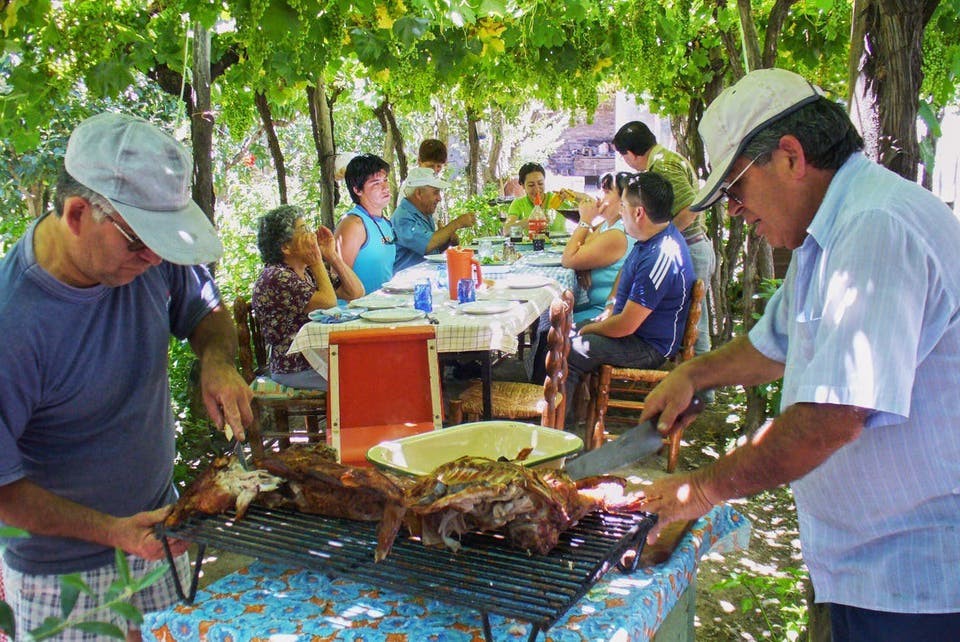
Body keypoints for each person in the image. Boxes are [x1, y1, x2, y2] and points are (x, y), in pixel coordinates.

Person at [638, 68, 960, 641]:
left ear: (790, 156)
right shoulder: (828, 234)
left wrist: (702, 489)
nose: (735, 211)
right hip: (869, 567)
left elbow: (829, 420)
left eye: (735, 189)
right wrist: (694, 373)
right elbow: (775, 344)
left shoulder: (874, 227)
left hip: (919, 577)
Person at [0, 112, 253, 640]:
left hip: (159, 531)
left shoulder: (147, 251)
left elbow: (206, 310)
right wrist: (113, 531)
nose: (155, 259)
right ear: (76, 214)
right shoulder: (12, 322)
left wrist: (217, 360)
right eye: (139, 243)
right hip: (63, 576)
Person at [563, 171, 694, 414]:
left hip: (647, 346)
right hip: (629, 330)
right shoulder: (650, 237)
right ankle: (563, 415)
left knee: (570, 351)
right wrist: (610, 305)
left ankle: (561, 428)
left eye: (623, 206)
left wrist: (590, 328)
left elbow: (626, 326)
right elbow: (625, 270)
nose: (620, 212)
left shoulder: (661, 255)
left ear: (638, 213)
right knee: (561, 335)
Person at [613, 120, 715, 357]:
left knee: (695, 327)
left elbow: (692, 206)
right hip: (689, 244)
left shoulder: (663, 165)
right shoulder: (665, 159)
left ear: (630, 154)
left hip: (691, 245)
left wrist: (663, 236)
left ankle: (700, 380)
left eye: (623, 156)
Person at [252, 205, 364, 389]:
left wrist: (332, 255)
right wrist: (317, 261)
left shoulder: (307, 271)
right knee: (362, 380)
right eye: (303, 230)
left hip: (318, 358)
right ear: (285, 247)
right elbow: (329, 303)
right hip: (295, 368)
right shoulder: (276, 276)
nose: (311, 235)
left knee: (371, 366)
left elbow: (355, 292)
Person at [561, 171, 632, 323]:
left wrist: (585, 220)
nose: (599, 196)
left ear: (623, 201)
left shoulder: (617, 234)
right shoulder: (608, 224)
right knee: (556, 314)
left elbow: (568, 259)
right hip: (597, 306)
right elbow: (583, 246)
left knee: (555, 321)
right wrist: (583, 267)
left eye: (606, 192)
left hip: (606, 314)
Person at [392, 167, 476, 272]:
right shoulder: (402, 217)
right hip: (406, 278)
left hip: (423, 274)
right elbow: (427, 245)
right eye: (435, 193)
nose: (439, 198)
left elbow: (431, 251)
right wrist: (456, 224)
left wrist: (448, 240)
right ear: (419, 193)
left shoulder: (424, 213)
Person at [333, 154, 396, 293]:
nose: (385, 187)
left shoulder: (385, 222)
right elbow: (336, 281)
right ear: (357, 190)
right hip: (355, 306)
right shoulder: (353, 224)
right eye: (376, 183)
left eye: (385, 180)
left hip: (384, 303)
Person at [501, 162, 589, 235]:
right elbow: (506, 230)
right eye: (531, 185)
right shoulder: (519, 203)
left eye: (540, 183)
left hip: (559, 248)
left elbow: (592, 204)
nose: (537, 189)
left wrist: (573, 195)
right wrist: (526, 222)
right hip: (531, 248)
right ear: (523, 185)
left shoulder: (557, 199)